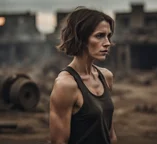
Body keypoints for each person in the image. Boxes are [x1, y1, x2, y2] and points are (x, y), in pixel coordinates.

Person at [49, 6, 117, 144]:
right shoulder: (65, 85)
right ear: (81, 37)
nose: (107, 43)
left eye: (108, 36)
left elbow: (110, 134)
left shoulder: (106, 77)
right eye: (99, 36)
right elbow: (59, 141)